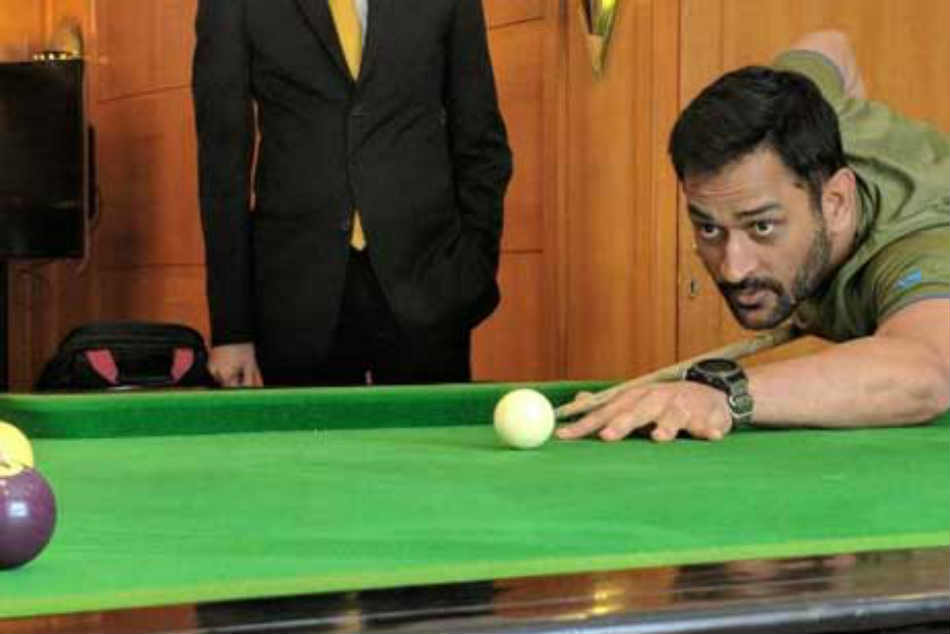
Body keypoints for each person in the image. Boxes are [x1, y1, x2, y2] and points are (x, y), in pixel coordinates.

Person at [557, 30, 949, 442]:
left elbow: (925, 377)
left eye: (762, 226)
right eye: (709, 228)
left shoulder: (920, 249)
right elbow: (829, 43)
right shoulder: (799, 115)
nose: (733, 269)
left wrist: (726, 396)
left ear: (835, 203)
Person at [192, 0, 512, 387]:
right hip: (294, 299)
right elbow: (222, 168)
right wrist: (231, 330)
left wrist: (472, 268)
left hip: (430, 285)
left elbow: (481, 142)